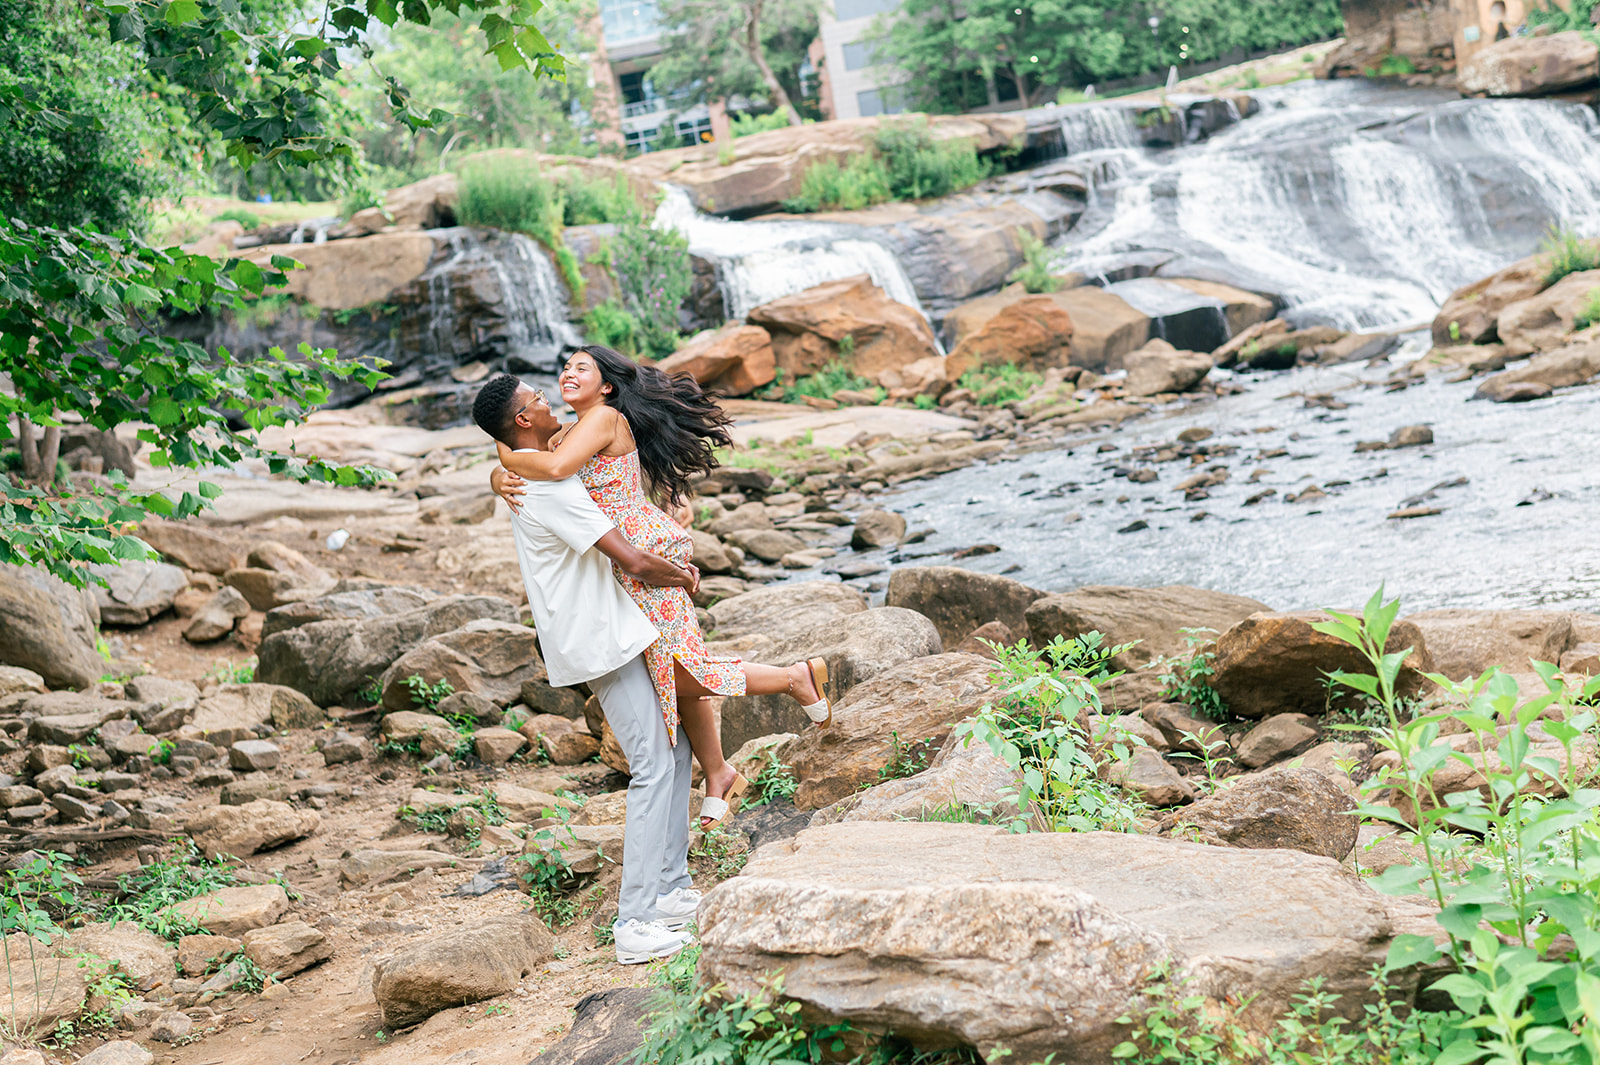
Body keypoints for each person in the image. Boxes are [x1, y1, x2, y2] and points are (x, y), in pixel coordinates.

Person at [488, 348, 831, 829]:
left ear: (607, 386)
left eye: (581, 367)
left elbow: (553, 468)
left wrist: (501, 461)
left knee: (675, 672)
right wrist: (499, 471)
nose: (567, 373)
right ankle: (718, 771)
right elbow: (533, 456)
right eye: (565, 366)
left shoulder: (602, 418)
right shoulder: (570, 430)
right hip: (620, 560)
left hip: (641, 555)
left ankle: (792, 679)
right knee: (670, 668)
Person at [471, 377, 700, 965]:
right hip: (598, 637)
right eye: (537, 400)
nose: (549, 400)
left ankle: (671, 889)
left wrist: (497, 466)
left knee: (673, 752)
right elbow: (630, 558)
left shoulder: (534, 465)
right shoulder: (548, 490)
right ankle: (636, 922)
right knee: (651, 764)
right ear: (524, 420)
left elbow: (506, 452)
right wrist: (683, 576)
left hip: (616, 626)